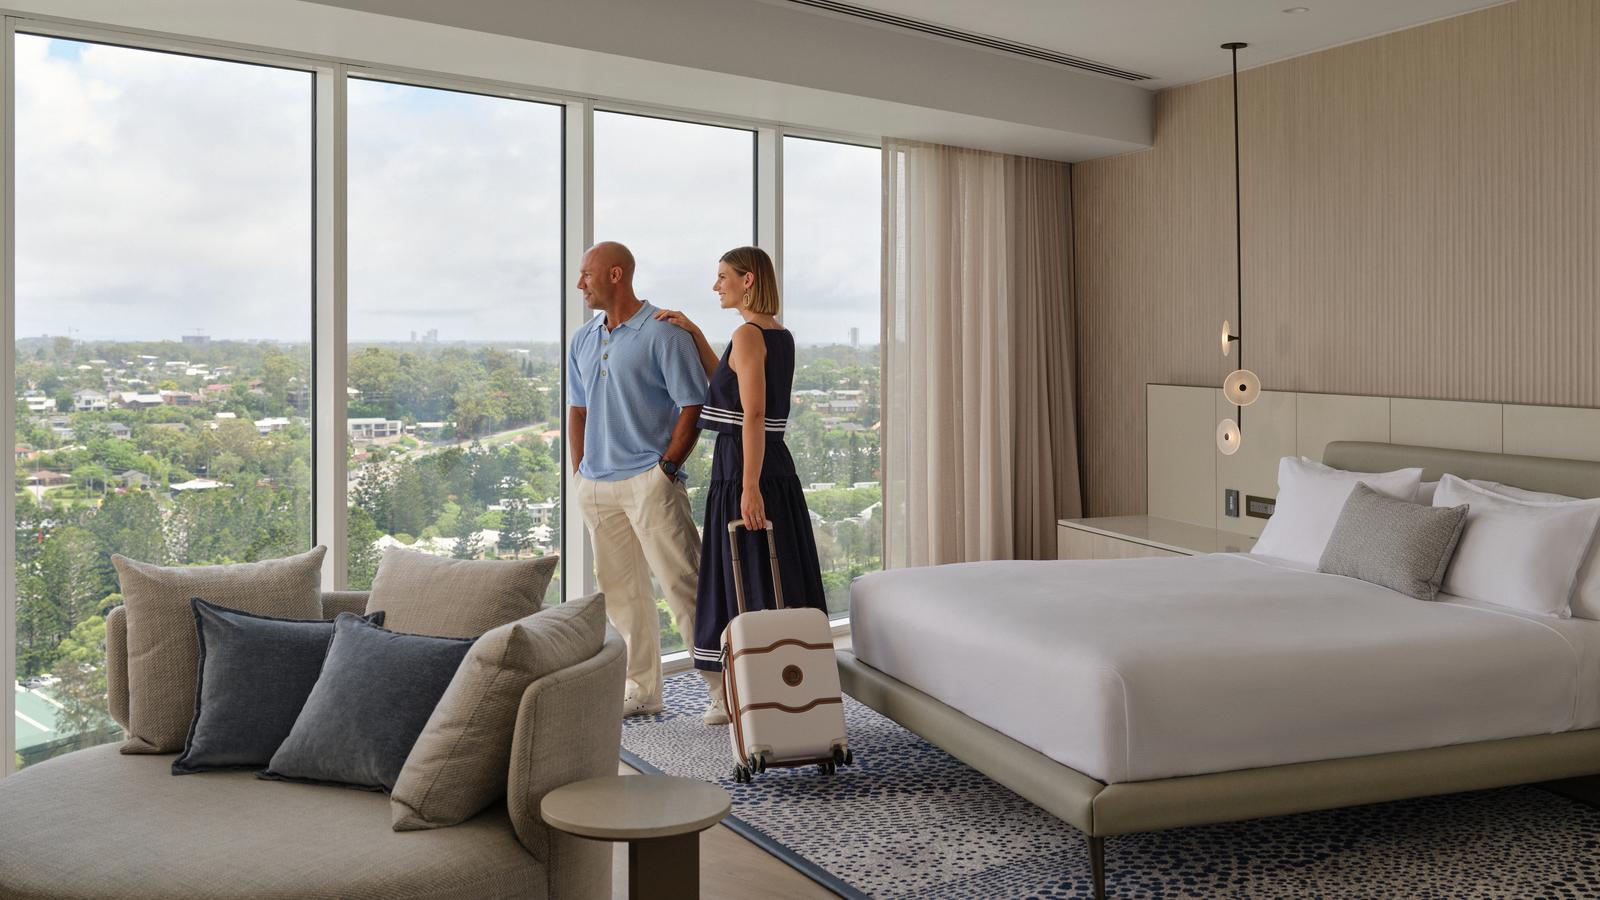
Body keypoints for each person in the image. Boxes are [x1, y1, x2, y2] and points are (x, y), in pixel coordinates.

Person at [654, 246, 829, 726]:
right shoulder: (775, 335)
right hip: (771, 464)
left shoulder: (748, 335)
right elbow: (727, 378)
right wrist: (693, 332)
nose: (716, 286)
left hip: (745, 466)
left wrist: (748, 487)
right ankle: (782, 682)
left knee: (746, 575)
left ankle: (753, 693)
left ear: (748, 279)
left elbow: (752, 414)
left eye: (722, 277)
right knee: (775, 572)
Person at [568, 241, 725, 719]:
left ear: (616, 275)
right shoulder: (583, 338)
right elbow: (578, 409)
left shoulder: (664, 334)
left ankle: (726, 691)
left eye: (587, 276)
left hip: (650, 482)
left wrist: (667, 469)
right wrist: (580, 471)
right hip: (597, 485)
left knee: (685, 586)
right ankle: (642, 689)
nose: (580, 285)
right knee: (623, 595)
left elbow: (693, 405)